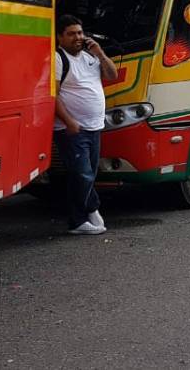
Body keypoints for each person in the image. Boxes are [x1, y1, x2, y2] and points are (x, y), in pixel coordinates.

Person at [54, 15, 118, 234]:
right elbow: (53, 95)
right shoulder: (58, 58)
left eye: (80, 33)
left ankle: (90, 209)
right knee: (81, 173)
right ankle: (78, 220)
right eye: (72, 33)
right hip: (71, 128)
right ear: (60, 36)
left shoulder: (90, 57)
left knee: (89, 173)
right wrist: (68, 121)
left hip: (94, 126)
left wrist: (99, 53)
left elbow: (112, 74)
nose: (78, 37)